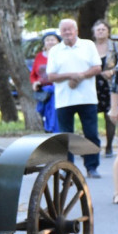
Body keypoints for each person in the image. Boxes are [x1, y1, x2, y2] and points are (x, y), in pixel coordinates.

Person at [46, 18, 102, 178]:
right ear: (60, 32)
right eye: (64, 30)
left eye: (70, 29)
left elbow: (97, 67)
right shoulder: (55, 50)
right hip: (65, 100)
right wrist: (72, 75)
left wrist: (80, 76)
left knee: (91, 134)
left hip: (88, 98)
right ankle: (68, 168)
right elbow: (51, 76)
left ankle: (92, 167)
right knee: (66, 137)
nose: (67, 32)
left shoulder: (88, 45)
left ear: (76, 31)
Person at [91, 19, 117, 157]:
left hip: (110, 86)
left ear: (108, 31)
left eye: (103, 29)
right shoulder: (89, 46)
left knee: (110, 116)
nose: (100, 32)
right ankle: (93, 146)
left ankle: (109, 146)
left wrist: (112, 72)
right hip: (92, 86)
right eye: (98, 29)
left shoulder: (115, 46)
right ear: (94, 33)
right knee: (90, 117)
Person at [31, 30, 60, 133]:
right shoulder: (39, 56)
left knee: (56, 114)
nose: (50, 42)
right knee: (44, 114)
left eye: (53, 39)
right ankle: (48, 133)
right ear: (44, 43)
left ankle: (56, 135)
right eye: (47, 40)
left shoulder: (62, 54)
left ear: (58, 41)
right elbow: (33, 74)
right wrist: (35, 82)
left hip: (57, 90)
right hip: (43, 92)